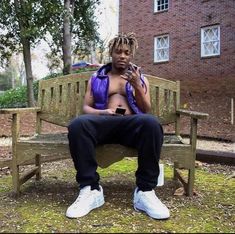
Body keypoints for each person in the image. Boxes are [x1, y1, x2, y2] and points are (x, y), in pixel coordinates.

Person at [66, 32, 170, 220]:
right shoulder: (97, 77)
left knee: (152, 123)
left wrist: (137, 85)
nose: (122, 56)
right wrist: (103, 113)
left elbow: (146, 109)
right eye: (118, 52)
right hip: (104, 123)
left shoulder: (139, 77)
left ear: (131, 56)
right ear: (111, 53)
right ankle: (90, 189)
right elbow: (86, 108)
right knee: (77, 125)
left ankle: (145, 191)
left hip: (131, 125)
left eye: (126, 53)